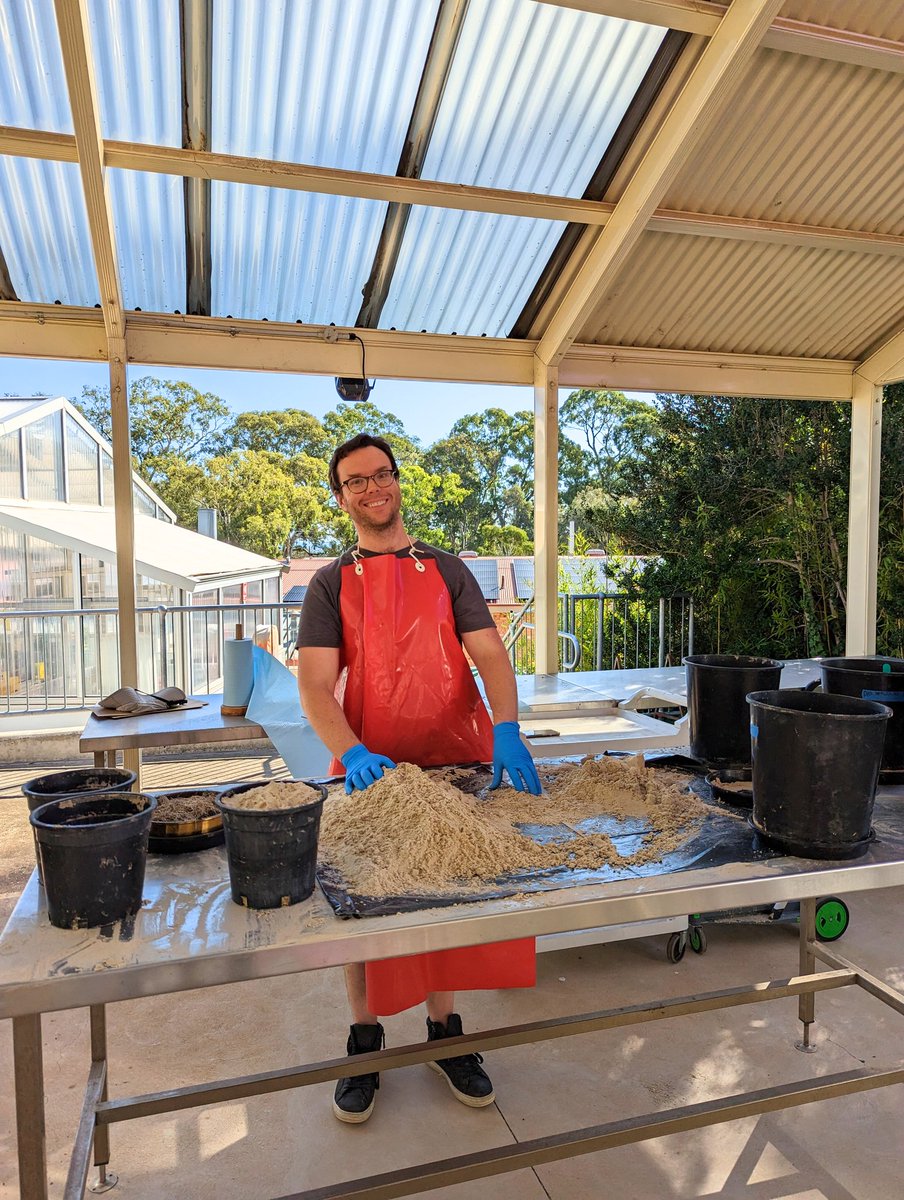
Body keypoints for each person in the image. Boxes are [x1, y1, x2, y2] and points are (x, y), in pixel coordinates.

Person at [298, 432, 541, 1124]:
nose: (371, 488)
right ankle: (365, 1040)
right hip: (370, 772)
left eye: (381, 475)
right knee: (360, 907)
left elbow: (490, 657)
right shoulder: (329, 584)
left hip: (455, 761)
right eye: (355, 481)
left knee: (448, 898)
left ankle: (444, 1034)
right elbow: (314, 685)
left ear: (398, 481)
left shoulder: (449, 570)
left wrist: (506, 727)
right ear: (340, 497)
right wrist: (353, 752)